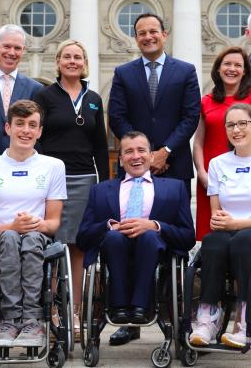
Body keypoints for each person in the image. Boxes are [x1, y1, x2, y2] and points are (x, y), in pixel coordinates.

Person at [107, 12, 200, 345]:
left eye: (153, 32)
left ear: (165, 33)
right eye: (141, 33)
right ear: (136, 38)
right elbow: (116, 116)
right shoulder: (123, 74)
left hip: (173, 168)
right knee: (131, 235)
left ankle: (174, 316)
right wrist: (142, 155)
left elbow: (191, 116)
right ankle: (130, 320)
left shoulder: (185, 72)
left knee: (171, 238)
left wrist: (165, 152)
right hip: (133, 168)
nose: (147, 37)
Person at [188, 103, 251, 349]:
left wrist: (239, 223)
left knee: (245, 239)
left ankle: (250, 322)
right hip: (231, 233)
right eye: (230, 125)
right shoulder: (217, 164)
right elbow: (217, 216)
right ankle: (208, 317)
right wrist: (224, 223)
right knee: (211, 240)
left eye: (242, 123)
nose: (236, 129)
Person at [0, 99, 66, 348]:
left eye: (32, 125)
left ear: (40, 131)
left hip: (37, 237)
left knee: (30, 239)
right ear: (8, 128)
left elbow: (53, 224)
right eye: (20, 124)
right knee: (11, 238)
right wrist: (11, 227)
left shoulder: (53, 166)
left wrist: (35, 224)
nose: (26, 130)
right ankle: (10, 320)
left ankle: (32, 320)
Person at [76, 132, 195, 326]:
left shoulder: (175, 188)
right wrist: (109, 226)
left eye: (141, 150)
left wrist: (154, 226)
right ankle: (119, 306)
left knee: (149, 236)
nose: (136, 156)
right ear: (121, 160)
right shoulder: (100, 191)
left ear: (151, 155)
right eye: (129, 152)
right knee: (114, 238)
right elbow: (83, 238)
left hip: (156, 252)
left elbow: (188, 237)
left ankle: (141, 306)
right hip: (113, 250)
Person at [32, 39, 108, 341]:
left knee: (77, 246)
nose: (73, 61)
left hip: (84, 178)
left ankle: (74, 313)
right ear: (58, 61)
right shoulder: (45, 95)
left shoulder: (93, 98)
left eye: (78, 56)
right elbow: (36, 137)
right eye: (67, 56)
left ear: (84, 62)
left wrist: (105, 184)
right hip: (51, 178)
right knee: (52, 244)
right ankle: (52, 312)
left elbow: (101, 146)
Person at [192, 47, 251, 241]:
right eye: (227, 64)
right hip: (211, 177)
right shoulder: (206, 102)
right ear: (218, 69)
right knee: (212, 234)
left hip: (246, 175)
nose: (232, 68)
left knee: (243, 231)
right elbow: (198, 142)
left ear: (245, 71)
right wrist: (202, 173)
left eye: (238, 65)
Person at [0, 24, 42, 160]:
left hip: (22, 163)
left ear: (23, 50)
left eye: (17, 48)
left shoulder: (36, 88)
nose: (11, 52)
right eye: (7, 46)